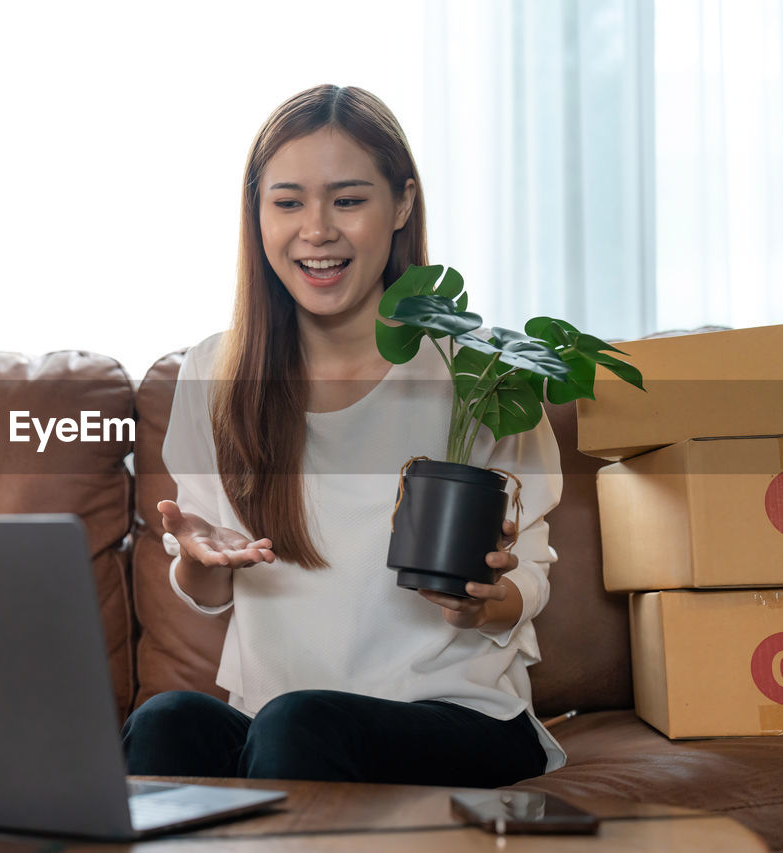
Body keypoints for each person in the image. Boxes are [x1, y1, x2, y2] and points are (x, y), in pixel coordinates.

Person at [121, 84, 565, 786]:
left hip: (457, 717)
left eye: (348, 200)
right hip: (279, 723)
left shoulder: (477, 370)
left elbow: (528, 572)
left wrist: (485, 598)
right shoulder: (218, 373)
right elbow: (205, 578)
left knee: (300, 723)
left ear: (403, 206)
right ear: (257, 215)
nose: (317, 230)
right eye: (288, 201)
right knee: (166, 722)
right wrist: (199, 560)